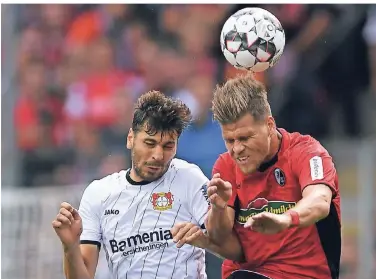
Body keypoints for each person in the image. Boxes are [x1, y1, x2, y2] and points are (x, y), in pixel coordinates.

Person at [51, 91, 241, 279]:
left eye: (168, 146)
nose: (158, 155)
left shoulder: (188, 178)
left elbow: (233, 250)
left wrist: (214, 217)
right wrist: (70, 248)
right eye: (149, 143)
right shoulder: (99, 193)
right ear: (130, 139)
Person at [172, 74, 342, 279]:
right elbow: (229, 244)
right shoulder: (226, 166)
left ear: (269, 125)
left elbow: (320, 201)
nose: (237, 149)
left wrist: (286, 219)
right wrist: (217, 209)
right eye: (229, 140)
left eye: (245, 138)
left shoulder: (306, 152)